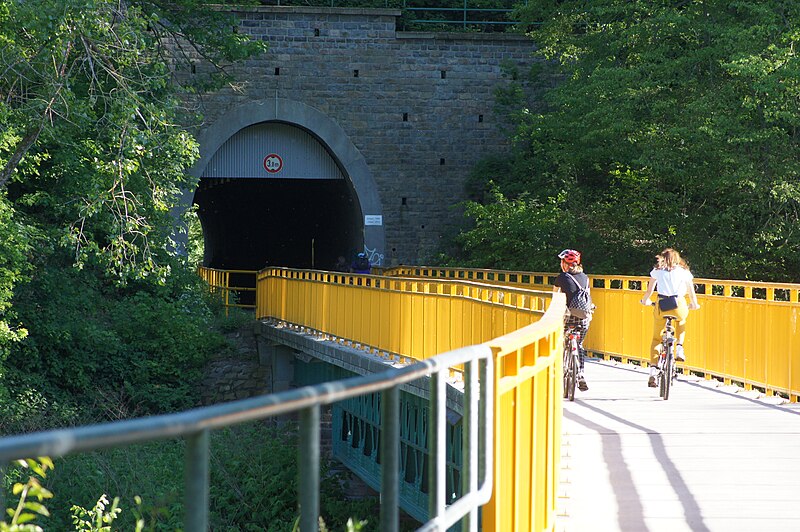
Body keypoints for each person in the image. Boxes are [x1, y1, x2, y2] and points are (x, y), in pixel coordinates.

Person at [639, 248, 701, 387]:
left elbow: (649, 291)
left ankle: (653, 370)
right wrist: (695, 305)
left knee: (657, 338)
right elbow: (691, 292)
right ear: (677, 259)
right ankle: (679, 347)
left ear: (663, 258)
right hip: (678, 305)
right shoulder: (684, 272)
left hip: (662, 305)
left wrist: (644, 301)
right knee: (681, 319)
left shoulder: (657, 272)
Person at [553, 249, 593, 392]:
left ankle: (560, 366)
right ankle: (581, 373)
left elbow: (555, 299)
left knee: (561, 340)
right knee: (580, 344)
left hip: (568, 318)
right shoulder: (585, 277)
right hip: (584, 318)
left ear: (565, 264)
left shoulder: (561, 278)